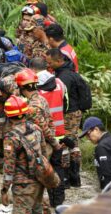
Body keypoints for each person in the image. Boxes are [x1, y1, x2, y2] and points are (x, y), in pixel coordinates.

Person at [30, 57, 74, 207]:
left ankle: (44, 201)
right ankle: (58, 201)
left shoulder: (33, 87)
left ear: (33, 70)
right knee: (58, 167)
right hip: (60, 132)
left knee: (42, 168)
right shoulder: (60, 83)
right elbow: (67, 106)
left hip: (42, 136)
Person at [45, 48, 83, 187]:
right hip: (75, 113)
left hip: (69, 115)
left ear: (59, 61)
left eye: (50, 62)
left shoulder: (63, 77)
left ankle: (67, 179)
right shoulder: (70, 73)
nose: (48, 65)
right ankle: (75, 178)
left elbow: (63, 99)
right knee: (74, 145)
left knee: (66, 145)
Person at [1, 95, 44, 213]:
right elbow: (43, 152)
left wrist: (4, 189)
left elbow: (9, 167)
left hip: (23, 187)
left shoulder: (11, 137)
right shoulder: (36, 128)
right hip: (39, 180)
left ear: (8, 116)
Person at [79, 117, 111, 189]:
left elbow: (108, 174)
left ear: (96, 129)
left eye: (88, 134)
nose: (88, 138)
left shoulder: (102, 147)